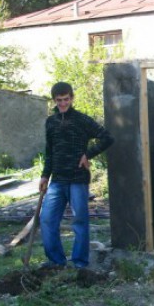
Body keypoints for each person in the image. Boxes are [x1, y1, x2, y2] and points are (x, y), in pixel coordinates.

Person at [39, 82, 114, 269]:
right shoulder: (51, 122)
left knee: (80, 221)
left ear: (72, 98)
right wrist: (44, 176)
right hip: (57, 180)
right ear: (54, 101)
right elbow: (49, 151)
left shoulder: (82, 120)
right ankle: (56, 261)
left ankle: (80, 262)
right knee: (47, 219)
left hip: (78, 180)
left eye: (66, 99)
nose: (63, 103)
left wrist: (87, 154)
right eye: (59, 100)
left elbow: (107, 137)